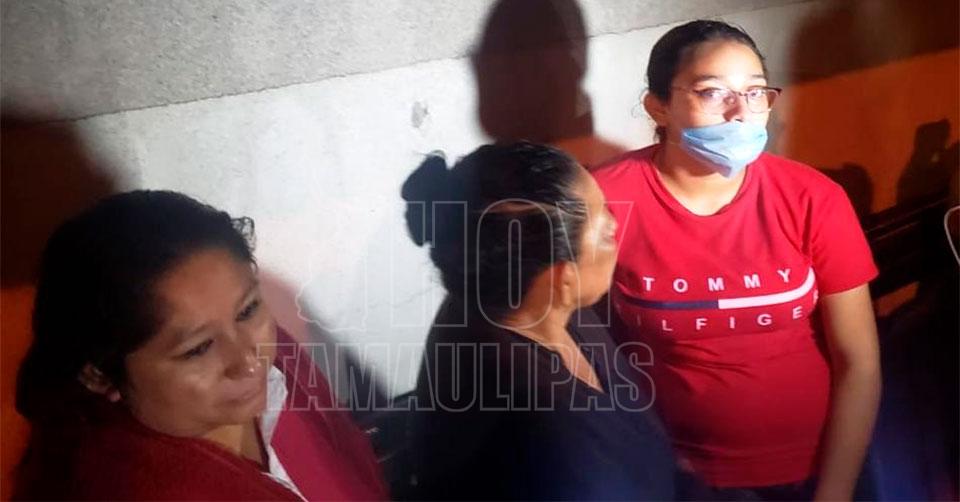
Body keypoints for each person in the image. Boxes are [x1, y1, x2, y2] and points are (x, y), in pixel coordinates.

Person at [591, 20, 881, 500]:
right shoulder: (606, 199)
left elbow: (859, 361)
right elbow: (574, 341)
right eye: (712, 93)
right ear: (658, 106)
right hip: (679, 474)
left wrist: (835, 490)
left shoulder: (812, 198)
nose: (741, 113)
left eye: (754, 92)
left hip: (818, 465)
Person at [14, 190, 386, 500]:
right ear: (99, 375)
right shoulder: (124, 487)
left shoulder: (281, 363)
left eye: (247, 310)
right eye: (198, 349)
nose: (250, 361)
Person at [408, 142, 676, 500]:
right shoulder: (551, 430)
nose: (616, 224)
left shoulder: (512, 297)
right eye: (604, 231)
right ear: (562, 277)